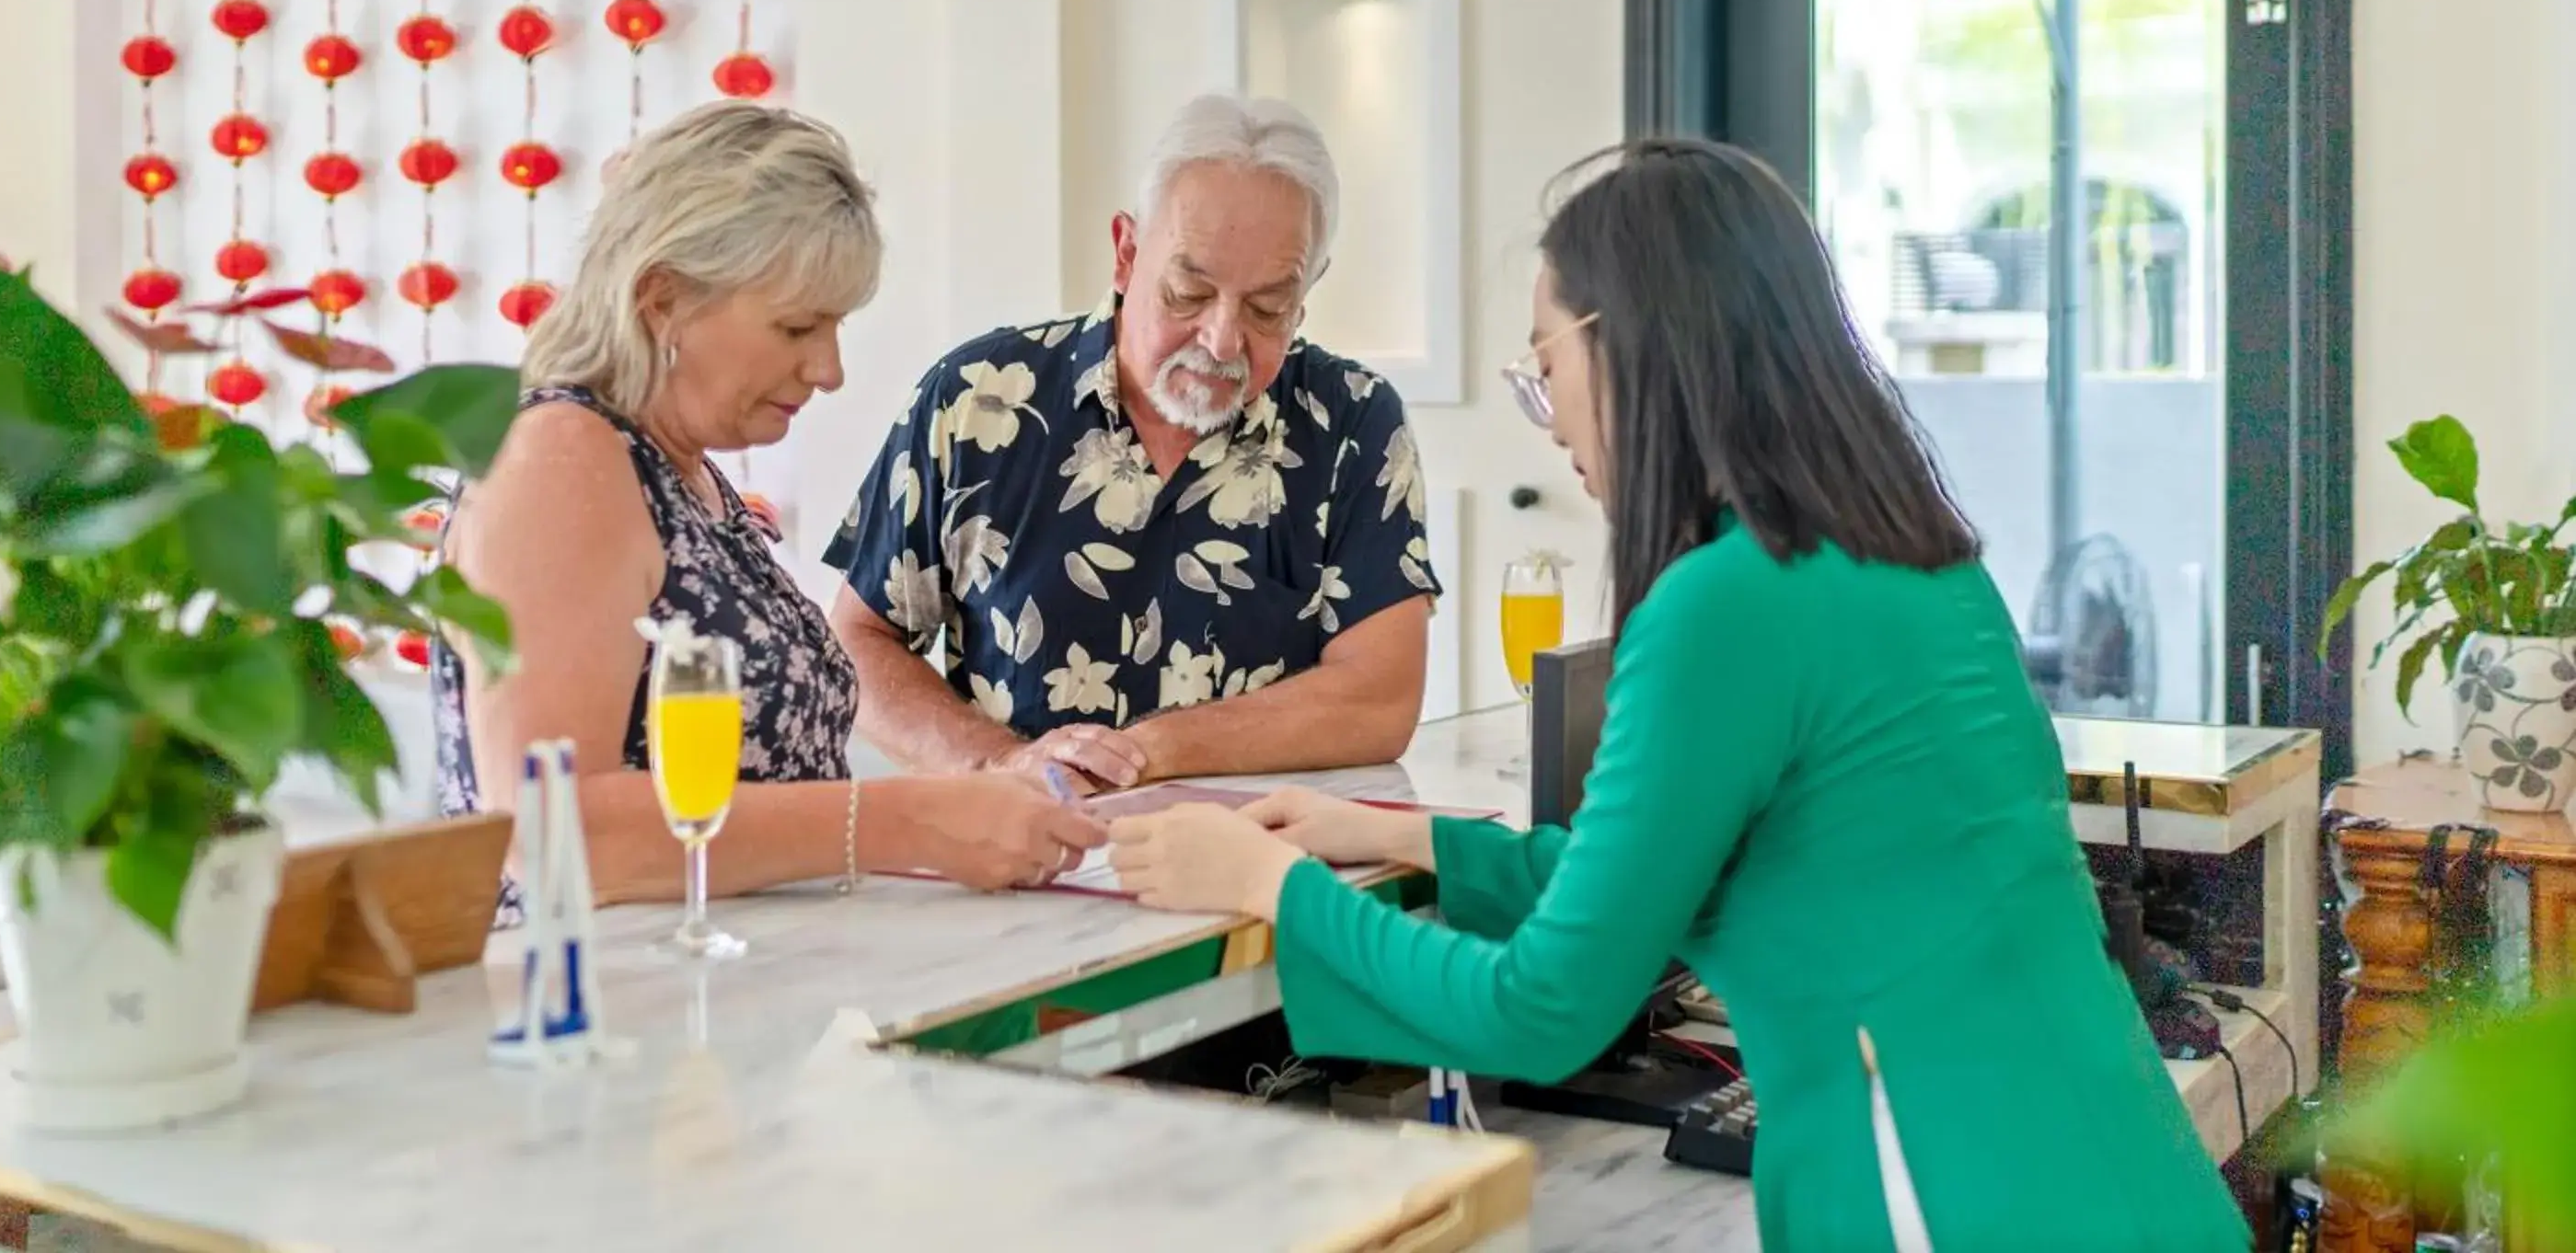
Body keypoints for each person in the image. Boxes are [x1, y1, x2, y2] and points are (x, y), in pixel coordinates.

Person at [1107, 139, 2247, 1252]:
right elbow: (1658, 871)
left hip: (1942, 1186)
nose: (1553, 424)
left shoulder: (1725, 605)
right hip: (2111, 1159)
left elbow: (1547, 1001)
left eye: (1544, 368)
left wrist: (1274, 884)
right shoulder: (1919, 559)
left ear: (1626, 350)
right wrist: (1393, 836)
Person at [433, 101, 1103, 916]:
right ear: (662, 299)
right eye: (796, 327)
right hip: (592, 1015)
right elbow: (549, 828)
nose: (829, 369)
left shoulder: (681, 475)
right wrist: (911, 820)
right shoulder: (561, 460)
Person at [825, 93, 1439, 793]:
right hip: (1023, 849)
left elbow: (1378, 698)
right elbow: (858, 642)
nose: (1221, 339)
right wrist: (999, 761)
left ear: (1307, 293)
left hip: (1264, 863)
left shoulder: (1352, 421)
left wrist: (1141, 752)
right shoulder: (979, 400)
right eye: (1187, 292)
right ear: (1126, 253)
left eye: (1269, 309)